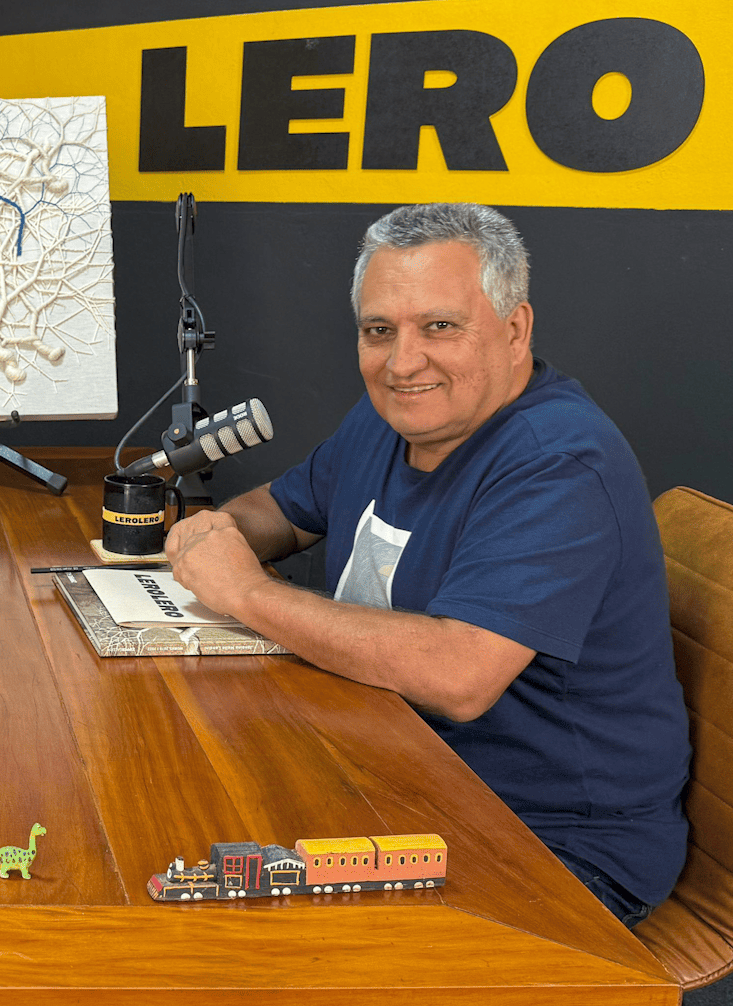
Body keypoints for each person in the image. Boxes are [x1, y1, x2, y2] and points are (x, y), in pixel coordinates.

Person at [165, 203, 689, 926]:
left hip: (544, 844)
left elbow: (458, 676)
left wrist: (247, 593)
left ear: (515, 329)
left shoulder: (559, 463)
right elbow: (282, 509)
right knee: (166, 826)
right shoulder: (395, 415)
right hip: (391, 776)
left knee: (215, 929)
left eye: (439, 326)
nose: (402, 362)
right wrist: (217, 535)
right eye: (379, 330)